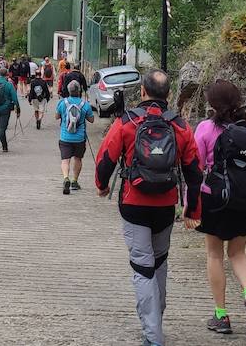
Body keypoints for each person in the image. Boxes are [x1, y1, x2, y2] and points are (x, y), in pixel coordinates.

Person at [95, 70, 203, 346]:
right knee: (159, 264)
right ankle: (156, 318)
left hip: (133, 204)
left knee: (142, 268)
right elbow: (194, 172)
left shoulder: (127, 122)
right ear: (169, 93)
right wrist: (193, 210)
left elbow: (105, 158)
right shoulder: (180, 126)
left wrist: (102, 185)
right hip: (166, 207)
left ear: (142, 91)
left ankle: (153, 334)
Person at [193, 80, 246, 334]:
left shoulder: (206, 128)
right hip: (245, 199)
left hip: (215, 200)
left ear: (212, 103)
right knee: (238, 254)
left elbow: (194, 169)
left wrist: (190, 204)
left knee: (214, 254)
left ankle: (222, 315)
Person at [54, 80, 95, 194]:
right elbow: (91, 120)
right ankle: (74, 181)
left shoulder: (63, 103)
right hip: (79, 137)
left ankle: (66, 178)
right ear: (79, 91)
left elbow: (56, 117)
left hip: (65, 137)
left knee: (65, 160)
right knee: (78, 159)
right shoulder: (85, 104)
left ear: (68, 91)